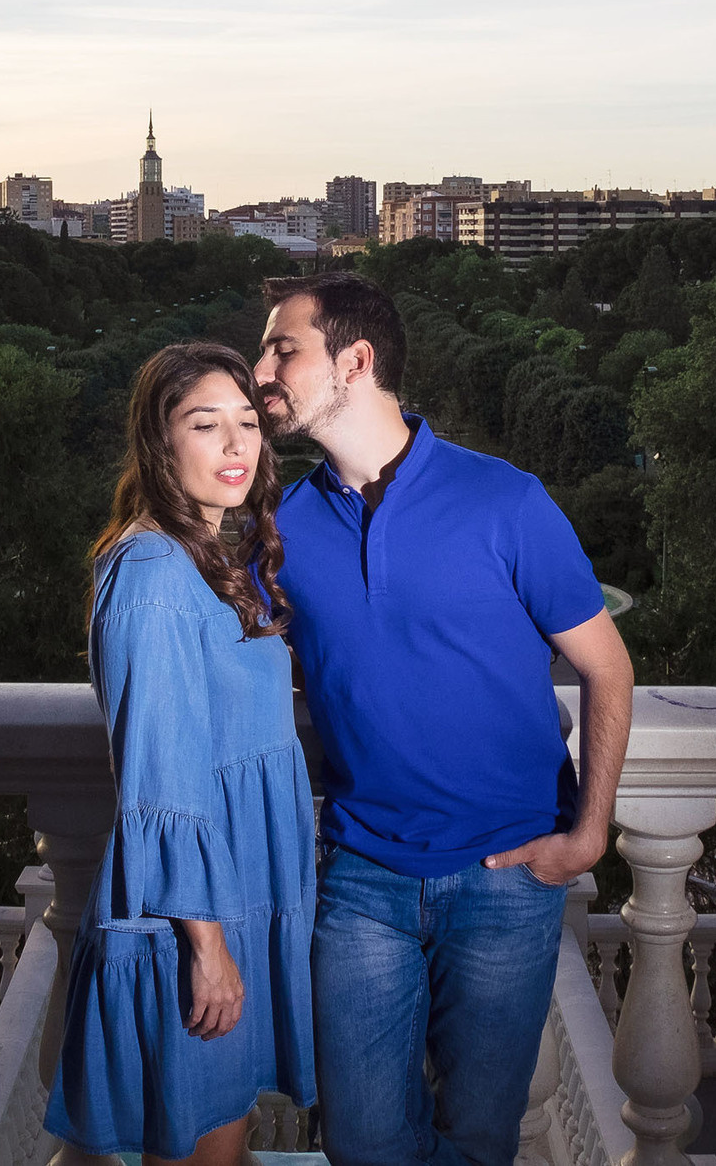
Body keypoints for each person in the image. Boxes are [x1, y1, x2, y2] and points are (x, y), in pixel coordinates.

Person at [254, 272, 633, 1166]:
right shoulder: (280, 528)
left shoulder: (506, 499)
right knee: (363, 1141)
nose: (261, 365)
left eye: (283, 347)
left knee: (476, 1139)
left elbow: (607, 670)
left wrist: (588, 834)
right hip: (362, 879)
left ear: (356, 359)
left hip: (507, 873)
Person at [46, 342, 318, 1166]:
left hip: (224, 898)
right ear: (160, 444)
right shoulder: (155, 572)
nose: (239, 447)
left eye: (248, 424)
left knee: (220, 1146)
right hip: (192, 922)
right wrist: (208, 950)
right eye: (207, 425)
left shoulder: (205, 558)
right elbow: (161, 778)